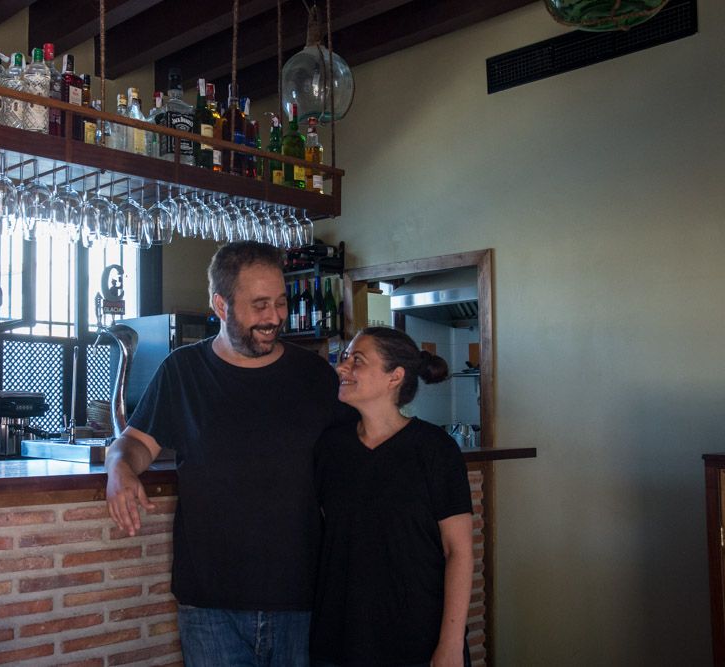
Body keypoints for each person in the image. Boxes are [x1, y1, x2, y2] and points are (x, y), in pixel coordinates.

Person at [105, 241, 353, 666]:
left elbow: (358, 455)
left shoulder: (314, 376)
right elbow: (135, 443)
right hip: (209, 604)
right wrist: (118, 466)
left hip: (302, 596)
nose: (274, 317)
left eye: (279, 302)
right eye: (259, 305)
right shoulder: (183, 371)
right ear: (220, 305)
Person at [310, 327, 474, 667]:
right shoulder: (330, 447)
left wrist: (451, 644)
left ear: (394, 377)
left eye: (358, 360)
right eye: (344, 358)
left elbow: (458, 552)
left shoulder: (435, 450)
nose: (343, 368)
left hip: (418, 637)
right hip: (340, 638)